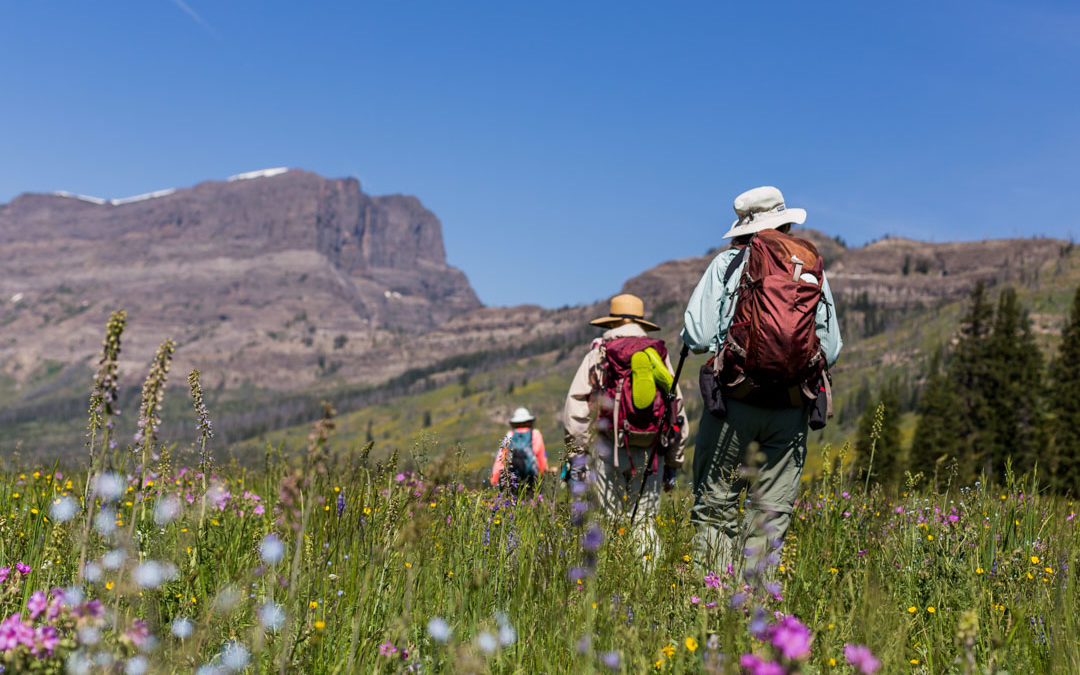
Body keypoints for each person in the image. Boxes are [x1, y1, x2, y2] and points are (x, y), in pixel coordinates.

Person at [681, 186, 843, 576]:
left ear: (743, 226)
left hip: (734, 401)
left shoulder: (727, 265)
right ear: (786, 222)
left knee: (717, 506)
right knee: (769, 514)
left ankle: (713, 605)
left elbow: (699, 336)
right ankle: (758, 609)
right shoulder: (808, 268)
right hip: (789, 408)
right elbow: (832, 347)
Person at [562, 294, 688, 558]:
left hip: (608, 447)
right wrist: (673, 463)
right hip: (652, 451)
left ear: (612, 323)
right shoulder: (657, 355)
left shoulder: (599, 354)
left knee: (610, 518)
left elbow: (576, 410)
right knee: (644, 518)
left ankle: (613, 578)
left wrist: (578, 456)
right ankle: (647, 583)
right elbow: (677, 409)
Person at [490, 407, 549, 492]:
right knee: (531, 502)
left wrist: (494, 479)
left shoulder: (510, 435)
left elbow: (500, 458)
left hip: (512, 477)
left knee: (513, 501)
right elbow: (541, 458)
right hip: (531, 478)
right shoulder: (535, 434)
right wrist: (541, 476)